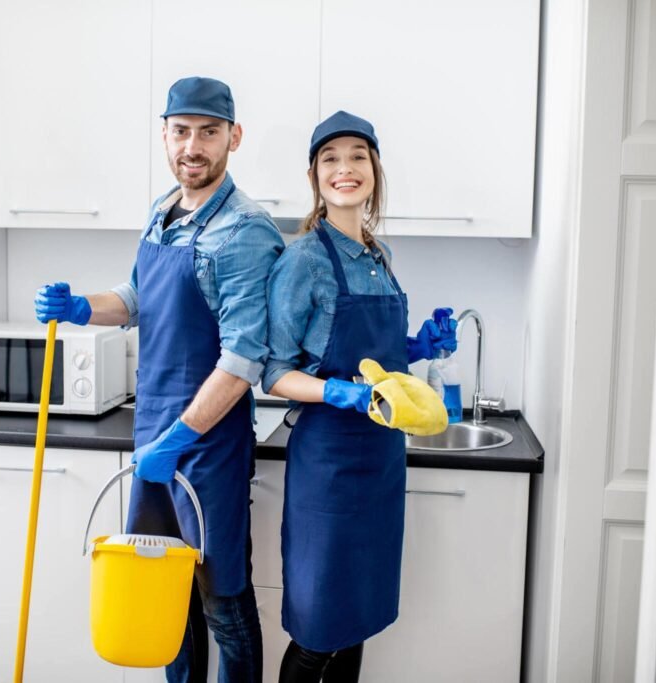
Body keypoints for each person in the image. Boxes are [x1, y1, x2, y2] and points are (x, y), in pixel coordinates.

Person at [36, 77, 284, 683]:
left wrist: (178, 438)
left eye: (208, 132)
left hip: (207, 444)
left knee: (221, 600)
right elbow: (137, 297)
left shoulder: (246, 231)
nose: (192, 147)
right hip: (152, 433)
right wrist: (81, 309)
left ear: (234, 137)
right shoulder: (162, 209)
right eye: (180, 131)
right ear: (165, 135)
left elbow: (243, 359)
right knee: (162, 592)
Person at [262, 111, 458, 682]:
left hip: (380, 462)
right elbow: (274, 371)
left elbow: (380, 356)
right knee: (319, 628)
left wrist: (418, 344)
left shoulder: (379, 255)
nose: (345, 168)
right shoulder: (303, 259)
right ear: (315, 177)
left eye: (357, 156)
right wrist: (336, 394)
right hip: (328, 467)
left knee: (357, 622)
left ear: (373, 169)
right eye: (331, 159)